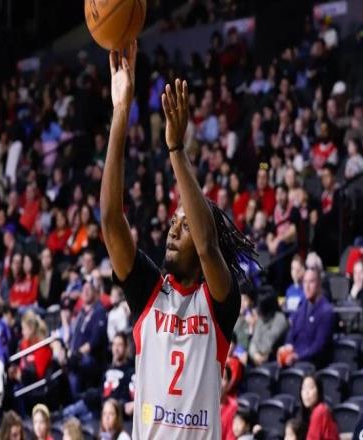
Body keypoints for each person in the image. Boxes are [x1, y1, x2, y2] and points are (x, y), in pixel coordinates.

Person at [100, 42, 257, 439]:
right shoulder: (148, 292)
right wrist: (121, 112)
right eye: (173, 221)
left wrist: (176, 149)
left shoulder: (220, 301)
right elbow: (111, 221)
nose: (173, 229)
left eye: (184, 225)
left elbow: (207, 246)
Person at [278, 268, 334, 368]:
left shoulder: (326, 311)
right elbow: (292, 331)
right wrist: (287, 346)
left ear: (319, 284)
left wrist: (298, 357)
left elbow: (318, 346)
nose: (307, 287)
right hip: (294, 358)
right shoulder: (301, 306)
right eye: (305, 282)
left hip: (312, 362)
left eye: (311, 282)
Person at [248, 290, 288, 366]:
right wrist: (255, 355)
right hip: (257, 360)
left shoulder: (280, 319)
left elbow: (266, 347)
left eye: (258, 306)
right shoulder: (260, 320)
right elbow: (253, 342)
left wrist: (258, 354)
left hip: (273, 362)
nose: (256, 309)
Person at [299, 374, 339, 440]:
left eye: (310, 387)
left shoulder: (320, 411)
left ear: (319, 391)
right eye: (303, 388)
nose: (306, 392)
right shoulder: (310, 413)